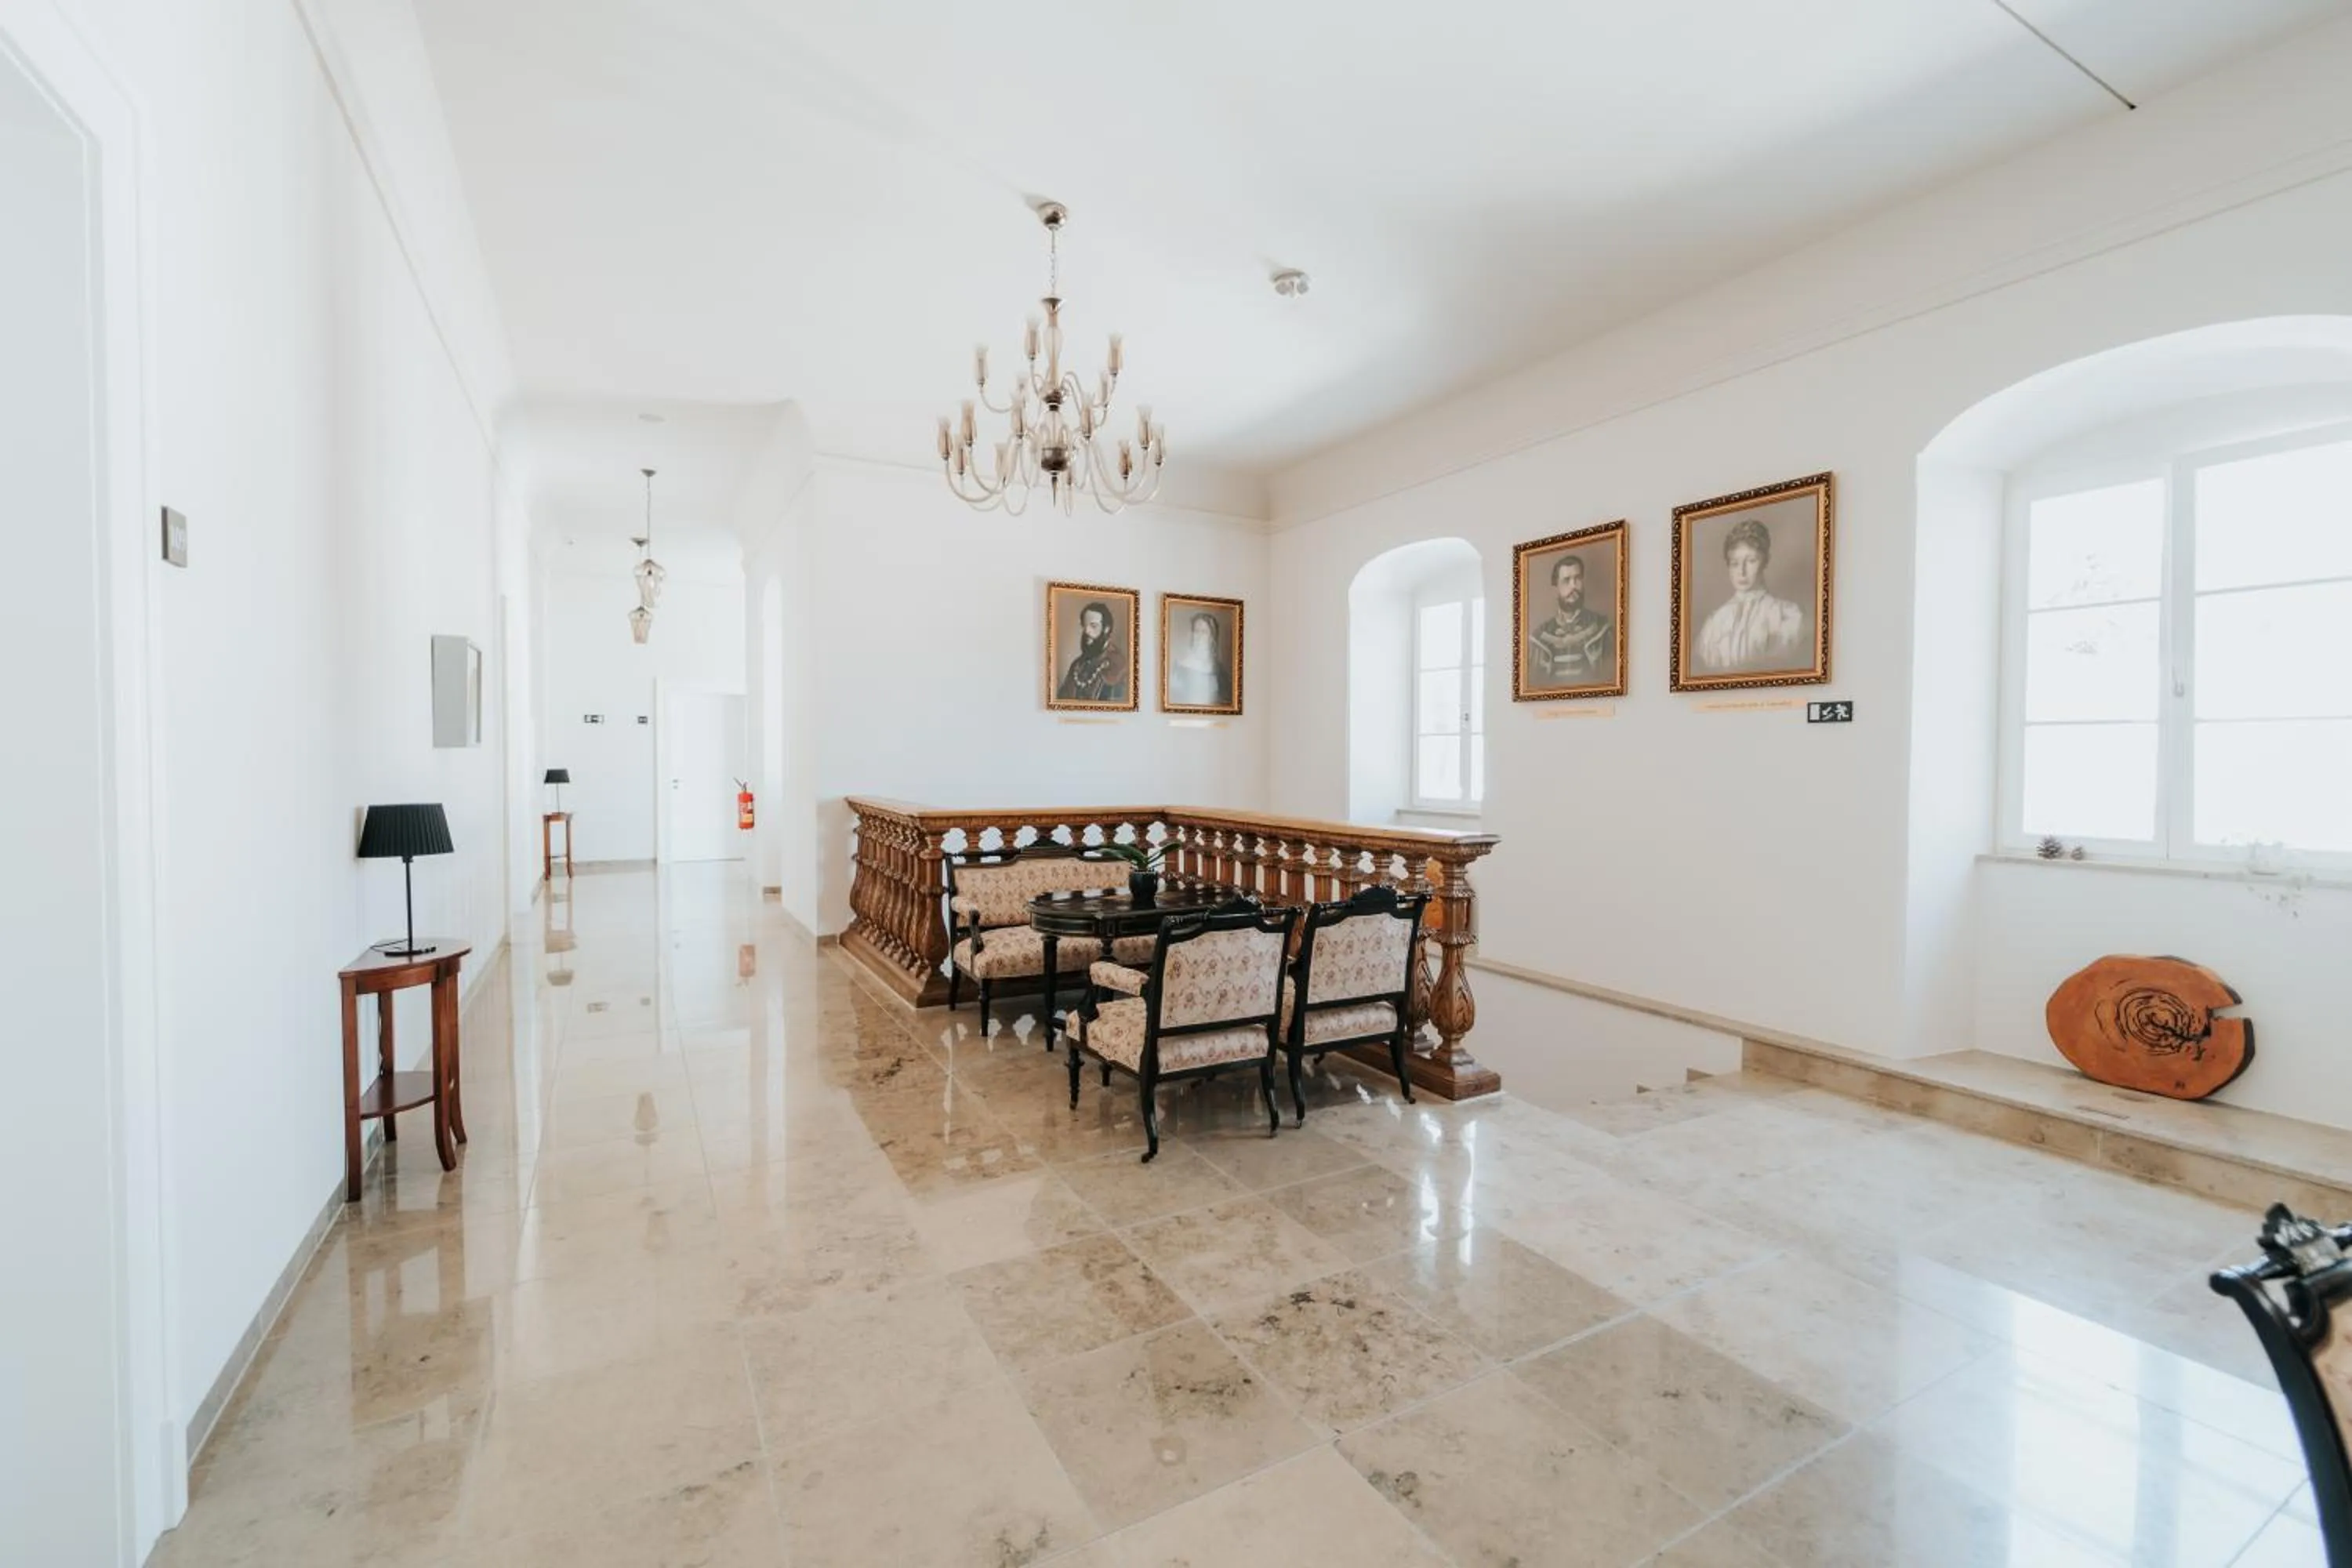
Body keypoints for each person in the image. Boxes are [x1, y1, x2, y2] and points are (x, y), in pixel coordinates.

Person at [1696, 516, 1806, 672]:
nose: (1742, 572)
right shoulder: (1715, 623)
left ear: (1765, 561)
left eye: (1751, 561)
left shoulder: (1787, 615)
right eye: (1735, 564)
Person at [1526, 553, 1613, 687]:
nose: (1573, 586)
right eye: (1566, 580)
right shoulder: (1539, 637)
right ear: (1556, 586)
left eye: (1577, 578)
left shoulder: (1603, 629)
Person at [1057, 600, 1127, 702]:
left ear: (1106, 629)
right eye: (1084, 626)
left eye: (1093, 626)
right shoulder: (1077, 665)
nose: (1087, 631)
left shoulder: (1118, 665)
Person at [1166, 611, 1232, 707]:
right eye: (1197, 631)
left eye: (1204, 632)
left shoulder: (1219, 669)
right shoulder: (1180, 666)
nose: (1199, 636)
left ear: (1212, 637)